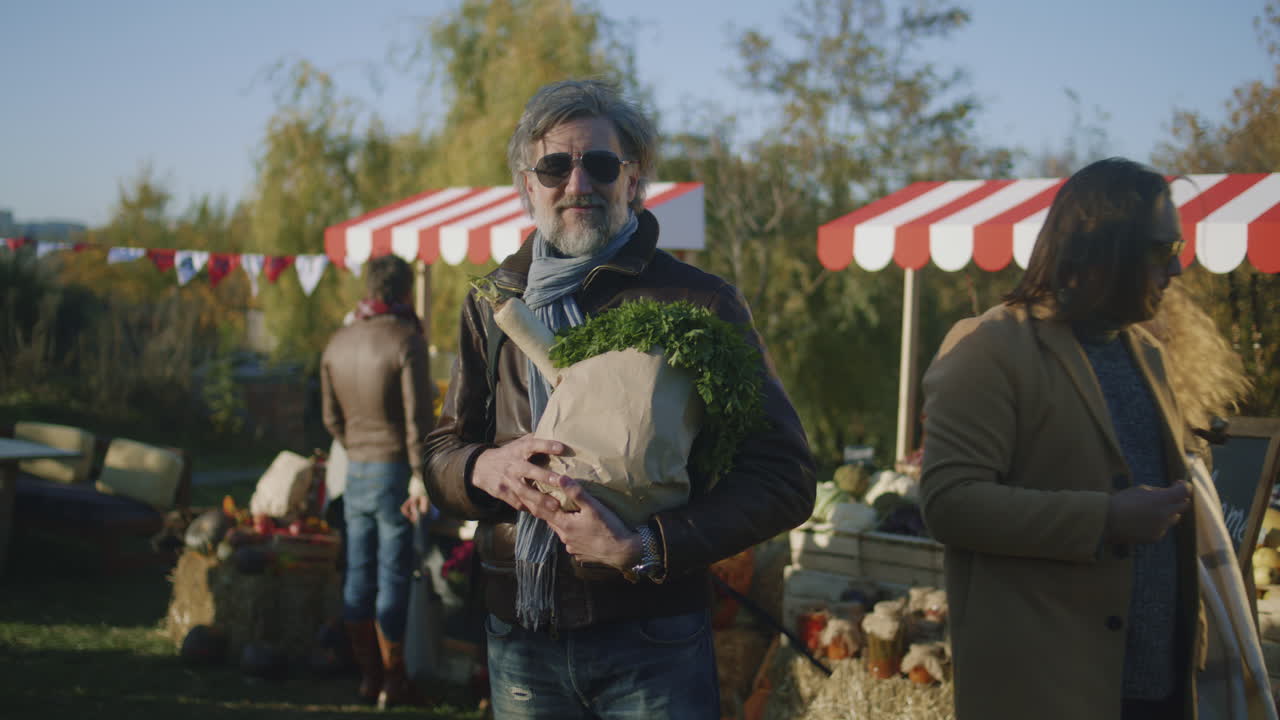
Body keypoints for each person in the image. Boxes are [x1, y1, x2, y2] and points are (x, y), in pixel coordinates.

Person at [423, 78, 815, 719]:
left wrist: (649, 547)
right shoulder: (492, 303)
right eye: (554, 165)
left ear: (633, 181)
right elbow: (443, 449)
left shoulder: (700, 303)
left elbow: (784, 477)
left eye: (600, 164)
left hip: (652, 637)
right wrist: (480, 468)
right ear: (528, 184)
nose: (577, 184)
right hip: (521, 635)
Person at [920, 157, 1199, 720]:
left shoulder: (1145, 353)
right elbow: (949, 503)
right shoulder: (991, 347)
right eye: (1163, 251)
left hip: (1157, 689)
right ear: (1106, 250)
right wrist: (1105, 520)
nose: (1178, 270)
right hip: (1050, 691)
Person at [321, 254, 434, 708]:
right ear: (405, 292)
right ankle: (393, 678)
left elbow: (330, 417)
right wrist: (420, 477)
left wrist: (354, 446)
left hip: (357, 467)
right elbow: (419, 421)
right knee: (392, 575)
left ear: (370, 290)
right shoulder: (407, 339)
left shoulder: (337, 341)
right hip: (394, 470)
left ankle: (369, 678)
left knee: (358, 574)